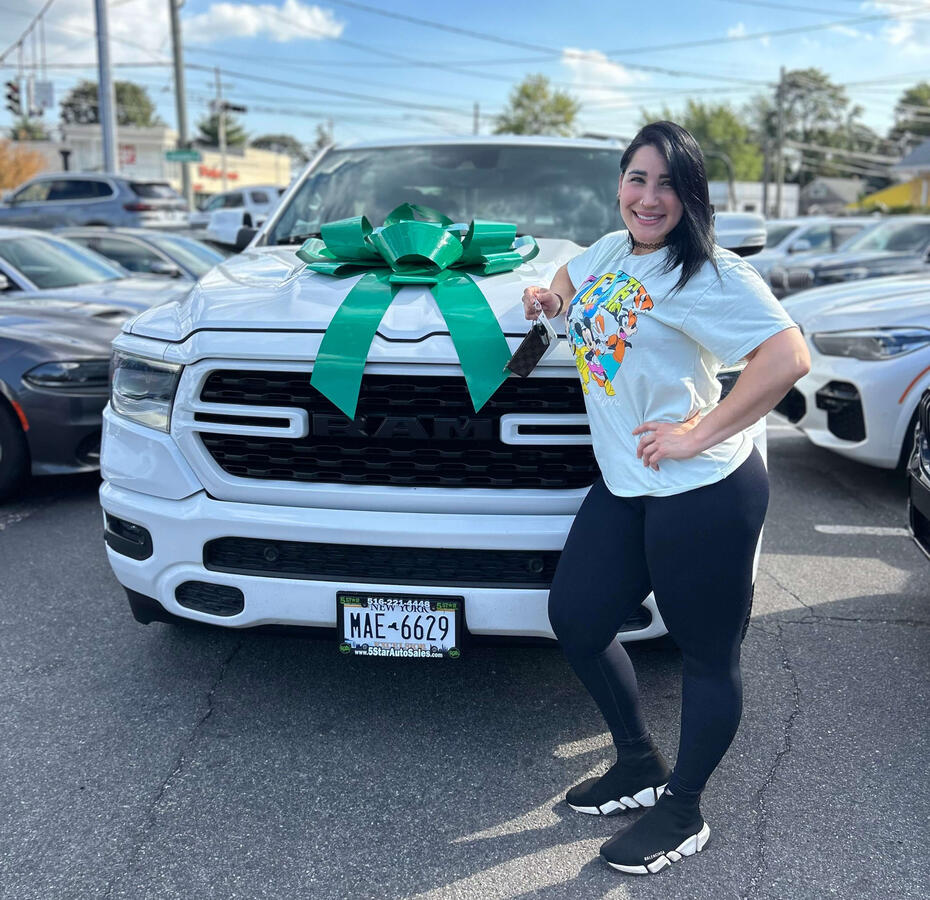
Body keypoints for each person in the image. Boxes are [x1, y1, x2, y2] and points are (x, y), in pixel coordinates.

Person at [521, 121, 810, 876]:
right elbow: (569, 281)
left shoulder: (708, 274)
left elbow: (788, 355)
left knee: (706, 656)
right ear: (620, 184)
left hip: (704, 489)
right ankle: (638, 762)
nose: (650, 198)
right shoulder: (616, 250)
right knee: (577, 620)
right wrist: (547, 300)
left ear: (692, 196)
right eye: (638, 180)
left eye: (668, 185)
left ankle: (683, 808)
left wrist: (698, 431)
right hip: (626, 484)